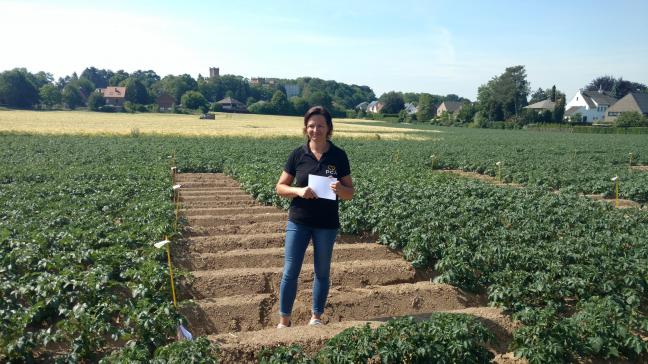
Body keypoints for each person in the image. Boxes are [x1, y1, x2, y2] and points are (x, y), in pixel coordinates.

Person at [275, 106, 354, 328]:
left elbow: (350, 193)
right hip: (298, 221)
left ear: (328, 128)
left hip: (326, 225)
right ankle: (284, 320)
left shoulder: (338, 156)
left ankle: (316, 318)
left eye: (320, 125)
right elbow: (280, 187)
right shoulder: (298, 154)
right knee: (290, 271)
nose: (315, 130)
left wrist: (340, 189)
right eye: (311, 126)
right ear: (305, 128)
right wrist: (298, 191)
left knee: (322, 272)